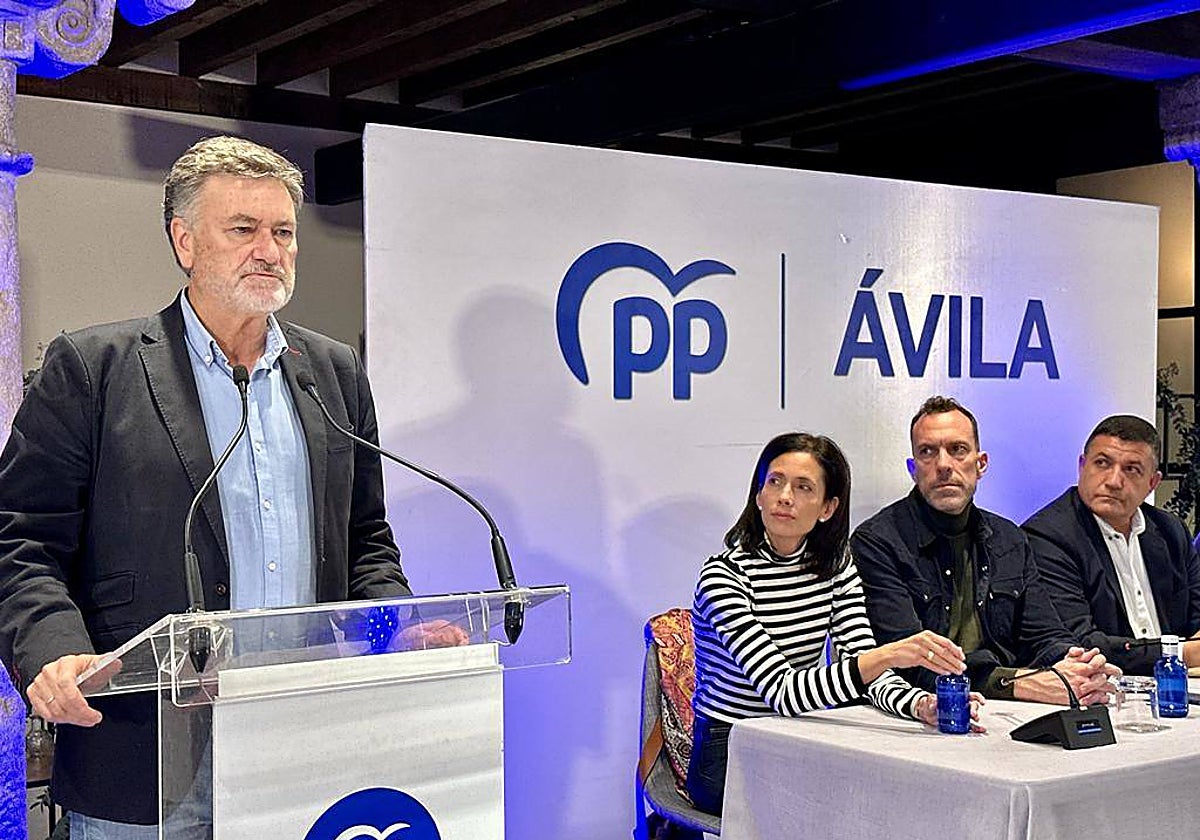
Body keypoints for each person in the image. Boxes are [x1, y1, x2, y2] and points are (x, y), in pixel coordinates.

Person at [0, 137, 413, 837]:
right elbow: (21, 540)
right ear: (185, 241)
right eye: (243, 230)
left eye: (283, 232)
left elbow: (365, 538)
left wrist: (394, 622)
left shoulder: (334, 372)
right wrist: (54, 650)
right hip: (146, 750)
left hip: (306, 741)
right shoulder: (93, 369)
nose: (270, 251)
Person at [688, 432, 979, 816]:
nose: (785, 497)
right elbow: (782, 693)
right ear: (758, 496)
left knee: (903, 793)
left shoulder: (835, 567)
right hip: (729, 750)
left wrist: (920, 704)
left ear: (828, 507)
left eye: (803, 487)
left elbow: (866, 667)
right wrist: (889, 655)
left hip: (800, 737)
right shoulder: (723, 576)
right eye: (774, 482)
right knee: (854, 806)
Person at [851, 396, 1118, 706]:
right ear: (913, 469)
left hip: (1005, 711)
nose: (943, 465)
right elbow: (906, 663)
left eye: (957, 449)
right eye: (927, 452)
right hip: (921, 712)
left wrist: (1075, 666)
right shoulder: (878, 542)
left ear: (981, 464)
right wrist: (1019, 684)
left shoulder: (1009, 539)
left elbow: (1045, 634)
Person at [1023, 414, 1200, 674]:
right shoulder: (1047, 536)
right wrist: (1180, 653)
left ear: (1152, 483)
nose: (1114, 481)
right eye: (1102, 463)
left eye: (1131, 469)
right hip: (1102, 686)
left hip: (1179, 684)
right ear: (1082, 466)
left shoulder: (1171, 531)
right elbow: (1079, 644)